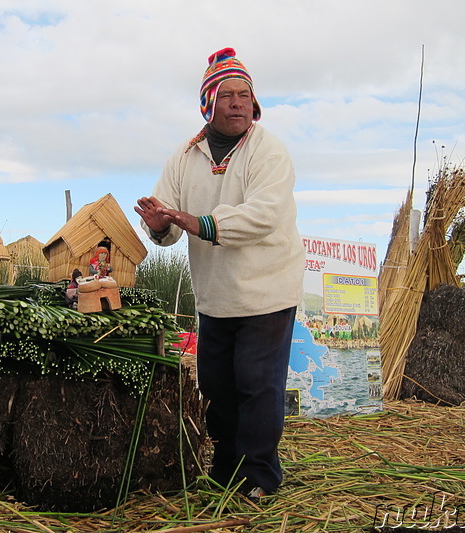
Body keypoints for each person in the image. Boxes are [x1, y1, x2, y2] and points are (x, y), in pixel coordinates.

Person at [135, 47, 305, 500]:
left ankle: (260, 476)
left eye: (244, 95)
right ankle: (226, 466)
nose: (236, 103)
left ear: (255, 103)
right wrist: (159, 226)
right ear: (208, 104)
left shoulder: (268, 151)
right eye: (226, 95)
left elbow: (263, 216)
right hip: (214, 294)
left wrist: (197, 222)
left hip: (267, 289)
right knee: (216, 385)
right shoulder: (184, 156)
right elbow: (169, 223)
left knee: (256, 382)